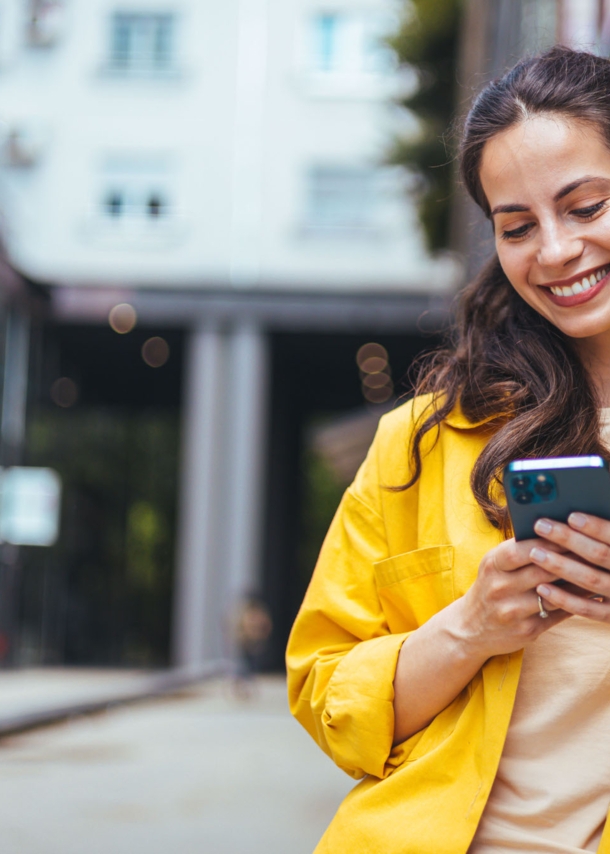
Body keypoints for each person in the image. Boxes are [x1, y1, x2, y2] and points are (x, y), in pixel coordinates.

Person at [286, 46, 610, 854]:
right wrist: (468, 628)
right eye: (518, 226)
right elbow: (325, 693)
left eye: (587, 206)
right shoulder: (425, 441)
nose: (557, 250)